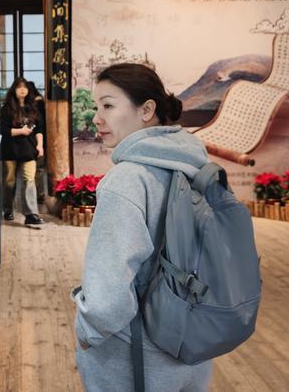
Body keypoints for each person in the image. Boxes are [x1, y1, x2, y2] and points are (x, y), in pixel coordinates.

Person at [72, 63, 213, 391]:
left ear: (147, 110)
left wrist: (87, 332)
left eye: (108, 105)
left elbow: (107, 300)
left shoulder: (127, 180)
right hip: (194, 344)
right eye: (97, 107)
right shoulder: (196, 164)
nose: (97, 118)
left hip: (136, 357)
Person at [0, 77, 44, 225]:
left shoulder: (33, 108)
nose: (22, 89)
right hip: (10, 148)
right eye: (19, 87)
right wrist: (21, 131)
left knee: (29, 180)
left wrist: (40, 146)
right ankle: (8, 209)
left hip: (29, 148)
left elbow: (39, 129)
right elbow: (3, 130)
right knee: (9, 181)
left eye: (25, 87)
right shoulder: (6, 108)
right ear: (14, 90)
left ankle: (31, 214)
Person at [25, 81, 47, 203]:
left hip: (35, 138)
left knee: (37, 168)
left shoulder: (35, 104)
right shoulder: (40, 101)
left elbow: (37, 124)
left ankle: (38, 194)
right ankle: (40, 194)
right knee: (39, 168)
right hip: (41, 138)